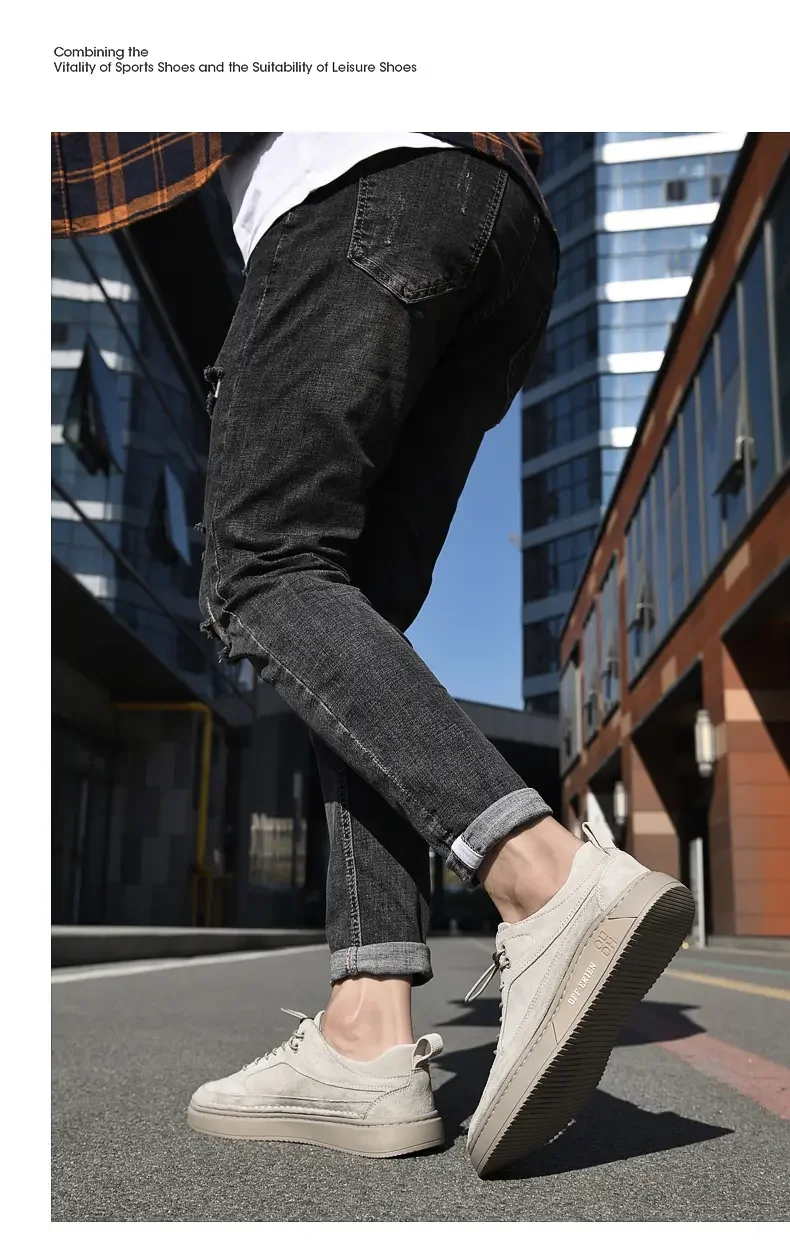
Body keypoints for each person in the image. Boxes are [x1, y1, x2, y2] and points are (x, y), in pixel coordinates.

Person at [52, 133, 695, 1176]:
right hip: (505, 227)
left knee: (262, 571)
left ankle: (542, 874)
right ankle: (367, 1030)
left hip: (356, 184)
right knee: (346, 622)